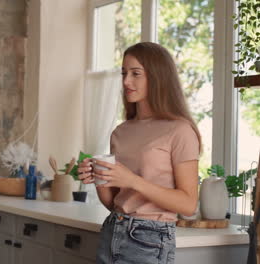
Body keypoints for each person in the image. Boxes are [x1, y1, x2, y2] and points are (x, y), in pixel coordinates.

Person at [78, 42, 201, 264]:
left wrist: (133, 180)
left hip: (150, 239)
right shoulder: (120, 132)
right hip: (113, 229)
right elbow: (115, 202)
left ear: (157, 77)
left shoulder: (180, 130)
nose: (126, 81)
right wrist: (97, 177)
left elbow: (188, 204)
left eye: (136, 74)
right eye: (124, 73)